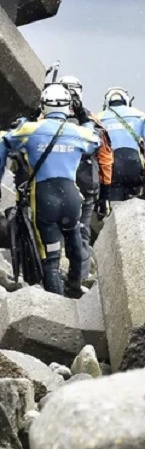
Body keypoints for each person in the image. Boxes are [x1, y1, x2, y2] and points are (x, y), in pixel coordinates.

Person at [1, 84, 100, 297]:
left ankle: (56, 304)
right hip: (72, 198)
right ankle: (74, 285)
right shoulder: (79, 132)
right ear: (68, 106)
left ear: (43, 106)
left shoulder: (31, 130)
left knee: (51, 257)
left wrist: (30, 118)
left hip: (44, 199)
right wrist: (83, 117)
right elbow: (95, 141)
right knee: (74, 239)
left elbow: (8, 139)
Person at [58, 75, 114, 278]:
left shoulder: (44, 121)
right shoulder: (93, 123)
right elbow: (106, 160)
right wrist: (105, 195)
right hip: (85, 186)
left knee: (49, 234)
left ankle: (49, 279)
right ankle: (77, 280)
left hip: (53, 186)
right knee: (81, 233)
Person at [95, 87, 145, 201]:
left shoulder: (98, 118)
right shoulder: (140, 115)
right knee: (135, 201)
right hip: (134, 165)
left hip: (110, 168)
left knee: (112, 202)